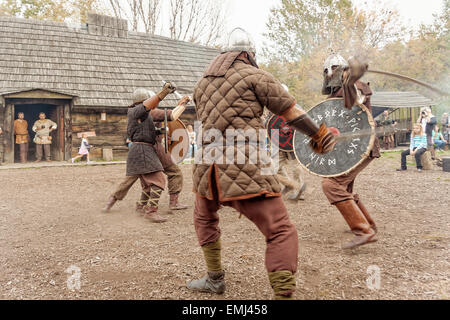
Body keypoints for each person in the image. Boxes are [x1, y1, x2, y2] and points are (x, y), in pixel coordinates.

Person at [186, 28, 336, 299]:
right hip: (247, 164)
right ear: (247, 54)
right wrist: (319, 133)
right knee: (279, 230)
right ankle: (282, 294)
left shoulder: (201, 84)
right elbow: (290, 112)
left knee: (204, 217)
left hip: (206, 168)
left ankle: (214, 279)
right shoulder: (257, 76)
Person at [320, 53, 379, 249]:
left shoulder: (356, 87)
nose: (330, 76)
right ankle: (368, 224)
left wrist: (351, 79)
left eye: (333, 71)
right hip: (348, 149)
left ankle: (364, 231)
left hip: (361, 147)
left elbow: (354, 99)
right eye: (327, 72)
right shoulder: (333, 96)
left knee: (331, 185)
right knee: (344, 187)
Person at [102, 88, 190, 214]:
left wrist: (160, 131)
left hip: (146, 148)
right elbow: (171, 115)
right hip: (150, 149)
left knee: (133, 179)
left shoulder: (144, 113)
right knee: (162, 176)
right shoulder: (146, 112)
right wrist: (183, 104)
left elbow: (150, 127)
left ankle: (115, 204)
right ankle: (158, 206)